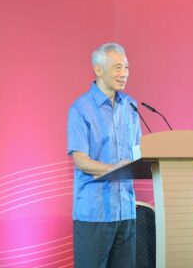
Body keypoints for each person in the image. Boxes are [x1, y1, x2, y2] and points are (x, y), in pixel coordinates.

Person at [67, 42, 142, 268]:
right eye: (118, 67)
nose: (124, 74)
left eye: (127, 67)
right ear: (99, 70)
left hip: (126, 210)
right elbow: (80, 159)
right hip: (94, 214)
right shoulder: (80, 109)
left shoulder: (131, 107)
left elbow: (137, 153)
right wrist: (114, 170)